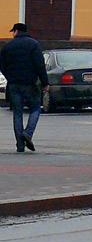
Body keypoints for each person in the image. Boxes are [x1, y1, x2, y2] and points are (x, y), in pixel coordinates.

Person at [0, 22, 48, 153]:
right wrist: (45, 83)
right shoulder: (33, 44)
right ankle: (28, 132)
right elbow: (40, 65)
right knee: (35, 109)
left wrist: (9, 76)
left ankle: (20, 145)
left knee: (17, 113)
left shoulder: (7, 46)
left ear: (16, 31)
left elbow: (1, 64)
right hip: (29, 84)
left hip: (14, 84)